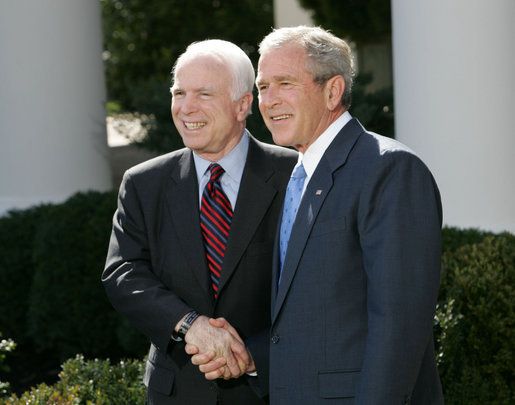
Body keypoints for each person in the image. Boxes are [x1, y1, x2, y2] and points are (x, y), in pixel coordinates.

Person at [193, 26, 444, 404]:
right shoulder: (296, 175)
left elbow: (399, 327)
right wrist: (253, 357)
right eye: (263, 87)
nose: (270, 101)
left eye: (285, 83)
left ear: (333, 91)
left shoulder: (388, 170)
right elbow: (310, 315)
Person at [102, 39, 297, 405]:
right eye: (179, 93)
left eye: (204, 94)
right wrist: (189, 324)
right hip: (176, 392)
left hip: (270, 388)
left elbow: (319, 287)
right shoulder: (144, 182)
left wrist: (254, 356)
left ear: (243, 105)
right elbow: (124, 272)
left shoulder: (294, 177)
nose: (186, 107)